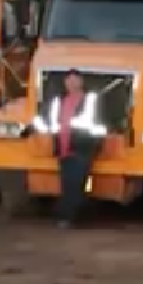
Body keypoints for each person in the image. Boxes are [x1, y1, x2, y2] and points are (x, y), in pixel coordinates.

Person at [37, 70, 101, 230]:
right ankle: (74, 215)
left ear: (81, 82)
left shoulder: (91, 100)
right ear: (65, 83)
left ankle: (65, 218)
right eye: (68, 80)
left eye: (75, 80)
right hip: (63, 150)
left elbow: (98, 124)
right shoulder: (58, 101)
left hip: (81, 149)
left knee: (74, 184)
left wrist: (93, 144)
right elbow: (51, 123)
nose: (71, 83)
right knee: (68, 185)